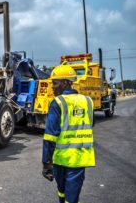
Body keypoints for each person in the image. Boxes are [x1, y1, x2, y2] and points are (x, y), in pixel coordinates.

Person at [42, 65, 95, 203]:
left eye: (55, 83)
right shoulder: (87, 101)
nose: (52, 86)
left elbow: (50, 136)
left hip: (61, 158)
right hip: (79, 157)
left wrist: (46, 162)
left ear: (65, 82)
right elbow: (90, 123)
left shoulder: (57, 102)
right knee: (69, 194)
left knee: (63, 192)